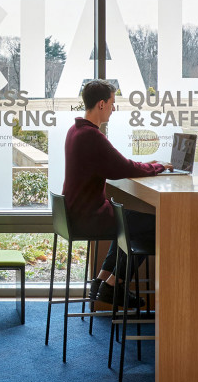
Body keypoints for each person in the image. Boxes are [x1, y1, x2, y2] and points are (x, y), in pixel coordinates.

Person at [63, 79, 172, 305]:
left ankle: (104, 280)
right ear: (102, 104)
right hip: (89, 216)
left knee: (127, 221)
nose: (114, 109)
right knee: (153, 225)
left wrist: (145, 165)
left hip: (79, 213)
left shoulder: (76, 130)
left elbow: (116, 164)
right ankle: (113, 285)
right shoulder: (91, 136)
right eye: (113, 103)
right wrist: (158, 167)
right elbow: (122, 168)